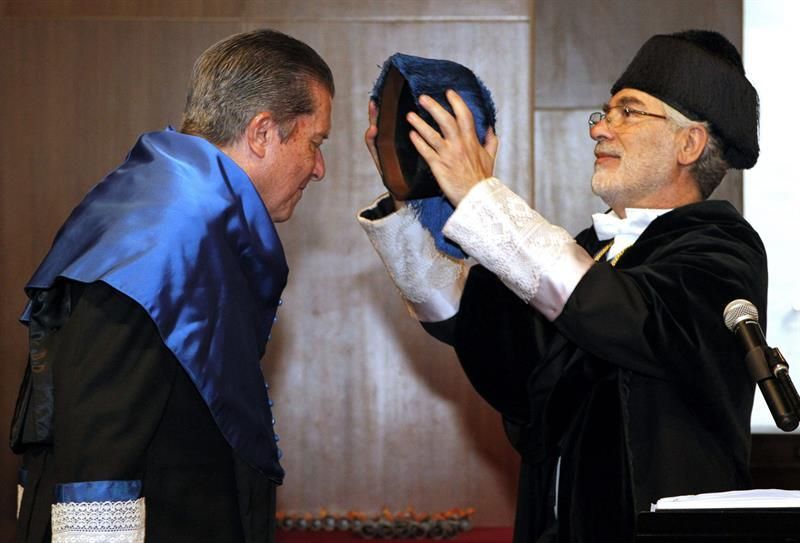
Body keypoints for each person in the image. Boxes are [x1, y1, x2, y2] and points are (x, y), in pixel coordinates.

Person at [358, 30, 766, 542]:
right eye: (605, 113)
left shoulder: (722, 251)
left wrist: (481, 195)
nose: (600, 130)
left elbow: (625, 316)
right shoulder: (587, 255)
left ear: (689, 143)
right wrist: (405, 190)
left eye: (629, 112)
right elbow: (474, 323)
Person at [11, 28, 333, 543]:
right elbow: (99, 459)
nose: (319, 168)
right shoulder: (158, 241)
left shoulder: (177, 220)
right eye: (314, 142)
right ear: (263, 132)